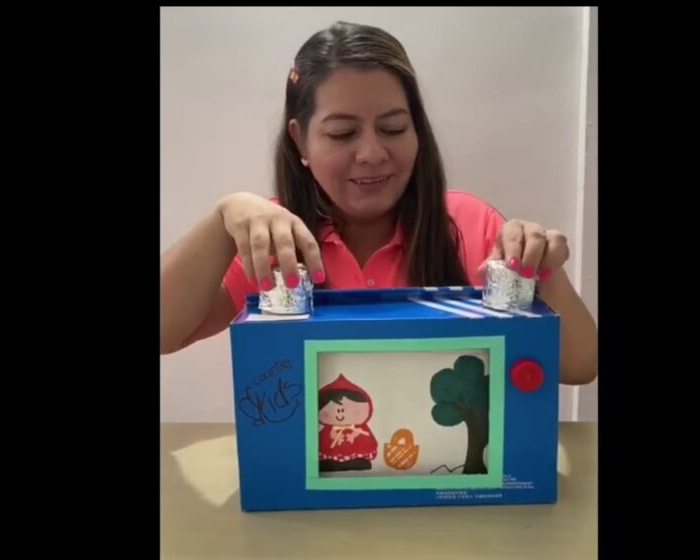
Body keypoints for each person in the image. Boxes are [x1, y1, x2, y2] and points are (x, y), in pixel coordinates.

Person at [160, 21, 598, 384]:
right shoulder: (273, 236)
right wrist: (224, 217)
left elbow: (579, 366)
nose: (371, 153)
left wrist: (542, 265)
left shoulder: (469, 223)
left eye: (392, 128)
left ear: (417, 131)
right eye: (342, 133)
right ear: (301, 140)